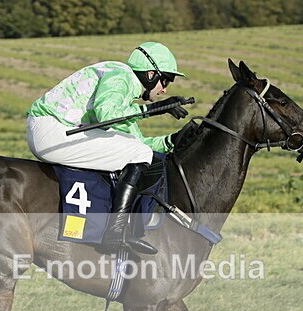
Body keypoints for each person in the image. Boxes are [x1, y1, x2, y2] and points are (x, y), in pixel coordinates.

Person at [26, 42, 189, 254]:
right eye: (165, 80)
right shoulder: (121, 76)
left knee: (138, 151)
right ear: (150, 74)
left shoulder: (122, 94)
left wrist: (174, 140)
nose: (164, 89)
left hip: (55, 130)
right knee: (139, 154)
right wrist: (153, 109)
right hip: (51, 131)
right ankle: (116, 231)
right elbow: (106, 115)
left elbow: (137, 143)